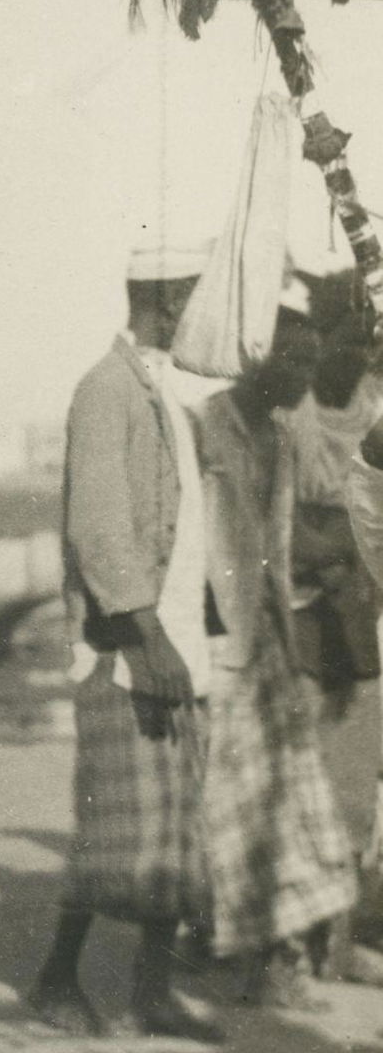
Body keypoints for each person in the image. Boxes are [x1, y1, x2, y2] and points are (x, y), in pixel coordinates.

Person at [30, 242, 221, 1041]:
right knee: (116, 830)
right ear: (170, 301)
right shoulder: (105, 390)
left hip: (175, 644)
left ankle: (150, 992)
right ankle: (56, 979)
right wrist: (147, 637)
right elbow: (99, 527)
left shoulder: (163, 393)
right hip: (126, 650)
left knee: (176, 831)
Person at [195, 293, 359, 1003]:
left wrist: (288, 643)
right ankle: (250, 956)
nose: (300, 376)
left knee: (290, 799)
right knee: (230, 804)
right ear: (257, 351)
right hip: (216, 642)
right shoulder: (209, 427)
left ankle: (276, 955)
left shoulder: (285, 439)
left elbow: (282, 546)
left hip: (268, 635)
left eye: (310, 363)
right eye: (291, 360)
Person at [287, 276, 383, 984]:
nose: (360, 347)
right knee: (317, 778)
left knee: (354, 786)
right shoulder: (297, 414)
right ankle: (317, 938)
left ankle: (342, 934)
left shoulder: (366, 405)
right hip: (314, 618)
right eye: (347, 335)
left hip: (358, 617)